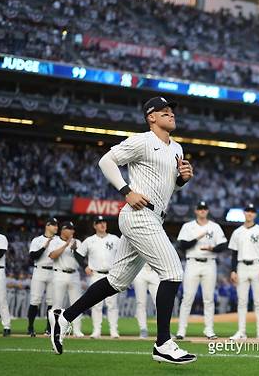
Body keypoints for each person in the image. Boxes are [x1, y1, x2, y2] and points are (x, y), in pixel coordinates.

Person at [48, 96, 196, 365]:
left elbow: (168, 187)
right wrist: (125, 191)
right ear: (151, 117)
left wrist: (182, 181)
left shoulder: (178, 148)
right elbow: (106, 161)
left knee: (116, 282)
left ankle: (64, 317)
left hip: (154, 215)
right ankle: (163, 343)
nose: (171, 114)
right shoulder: (141, 140)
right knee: (173, 273)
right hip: (139, 215)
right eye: (164, 111)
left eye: (171, 110)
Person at [175, 200, 227, 340]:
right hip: (192, 262)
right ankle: (181, 330)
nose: (202, 210)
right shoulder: (188, 226)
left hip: (209, 263)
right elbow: (182, 245)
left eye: (204, 208)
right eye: (200, 208)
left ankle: (209, 329)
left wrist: (212, 248)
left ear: (207, 211)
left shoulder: (214, 227)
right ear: (196, 211)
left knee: (209, 298)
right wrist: (197, 237)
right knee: (187, 298)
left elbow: (223, 245)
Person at [228, 203, 259, 341]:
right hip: (241, 266)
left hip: (257, 265)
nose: (250, 214)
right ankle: (241, 331)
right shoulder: (237, 232)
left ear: (255, 214)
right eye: (248, 211)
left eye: (252, 211)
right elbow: (234, 253)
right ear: (244, 213)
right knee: (242, 301)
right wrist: (233, 270)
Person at [76, 215, 120, 339]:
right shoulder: (89, 240)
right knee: (96, 304)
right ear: (94, 225)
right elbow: (78, 255)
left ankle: (113, 330)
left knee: (112, 304)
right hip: (95, 274)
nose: (102, 224)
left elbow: (122, 254)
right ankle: (96, 331)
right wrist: (85, 266)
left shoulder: (115, 239)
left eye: (104, 222)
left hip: (111, 275)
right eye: (99, 222)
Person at [48, 221, 84, 338]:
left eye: (73, 229)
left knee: (77, 303)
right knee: (57, 304)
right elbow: (52, 256)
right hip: (59, 274)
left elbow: (82, 260)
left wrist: (74, 249)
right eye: (69, 228)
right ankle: (55, 330)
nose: (72, 231)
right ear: (63, 230)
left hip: (74, 274)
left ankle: (77, 330)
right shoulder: (55, 241)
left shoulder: (77, 242)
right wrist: (66, 245)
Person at [27, 218, 59, 337]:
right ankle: (30, 327)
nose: (56, 227)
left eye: (57, 225)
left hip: (53, 272)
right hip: (39, 270)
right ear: (47, 226)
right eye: (54, 225)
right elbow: (33, 256)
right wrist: (44, 246)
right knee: (35, 300)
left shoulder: (58, 240)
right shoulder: (38, 240)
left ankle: (49, 328)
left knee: (51, 302)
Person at [133, 263, 160, 339]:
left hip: (155, 270)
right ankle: (143, 329)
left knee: (160, 303)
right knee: (140, 303)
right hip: (140, 270)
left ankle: (163, 331)